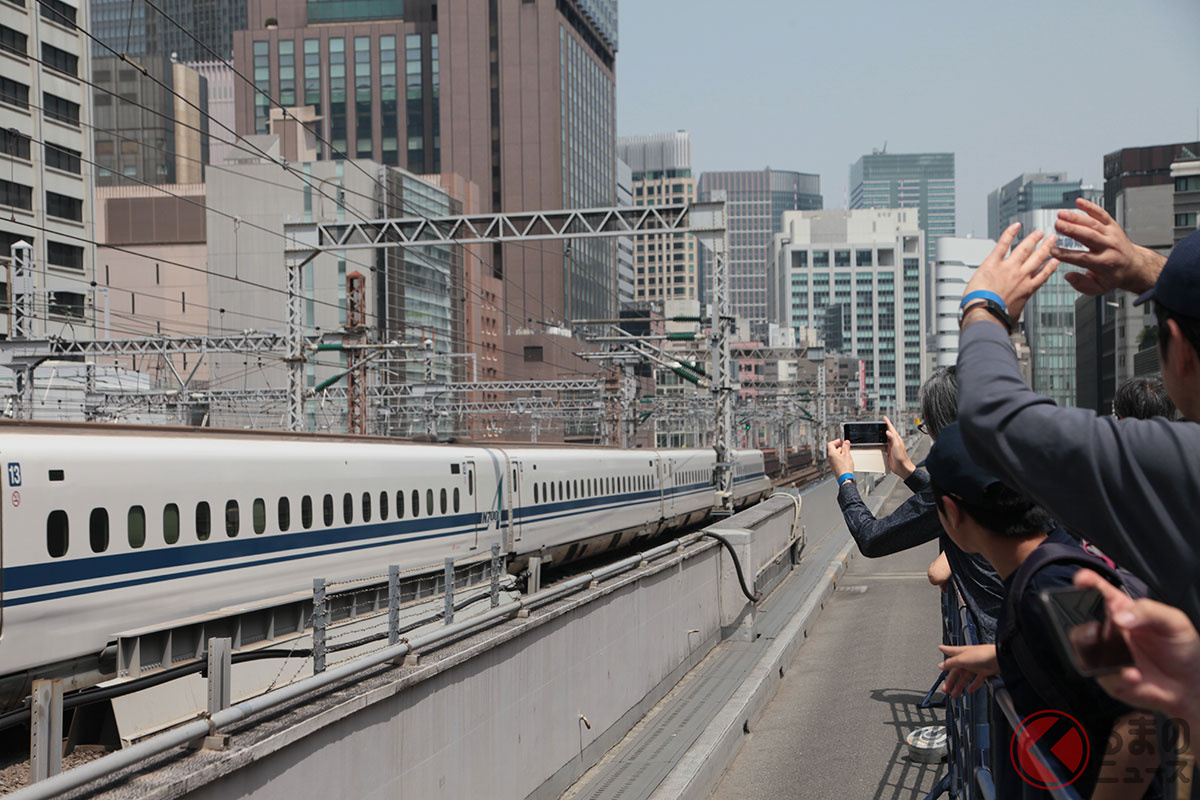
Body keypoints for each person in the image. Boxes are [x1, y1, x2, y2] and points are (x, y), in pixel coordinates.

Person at [953, 201, 1200, 627]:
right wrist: (1144, 267)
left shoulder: (1179, 463)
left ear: (1179, 351)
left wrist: (983, 308)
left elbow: (993, 415)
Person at [929, 424, 1162, 799]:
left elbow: (1140, 720)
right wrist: (1004, 657)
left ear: (952, 512)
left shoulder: (1055, 587)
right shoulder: (1047, 559)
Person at [826, 368, 1004, 642]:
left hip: (994, 642)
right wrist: (906, 469)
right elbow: (939, 503)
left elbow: (872, 538)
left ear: (941, 426)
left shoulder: (956, 482)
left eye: (927, 427)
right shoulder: (999, 462)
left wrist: (845, 480)